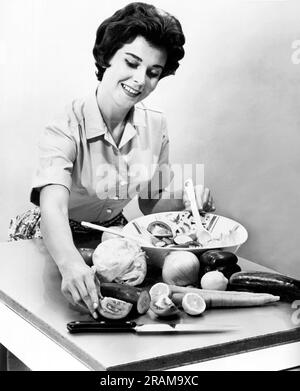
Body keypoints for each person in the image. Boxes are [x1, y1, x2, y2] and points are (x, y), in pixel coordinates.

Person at [8, 2, 215, 319]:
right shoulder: (65, 126)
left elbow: (150, 203)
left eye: (153, 73)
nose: (140, 79)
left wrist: (189, 203)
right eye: (131, 63)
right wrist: (70, 263)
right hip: (52, 237)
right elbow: (54, 208)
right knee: (46, 321)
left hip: (112, 239)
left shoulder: (156, 126)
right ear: (107, 57)